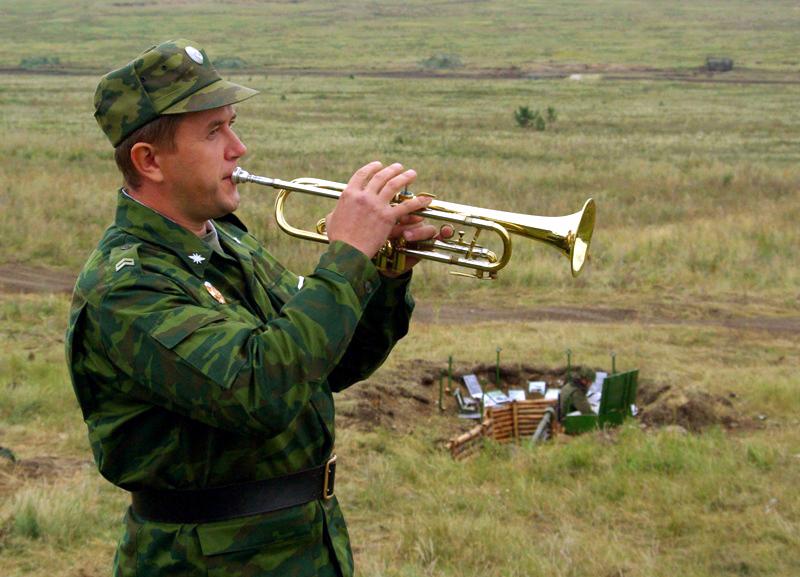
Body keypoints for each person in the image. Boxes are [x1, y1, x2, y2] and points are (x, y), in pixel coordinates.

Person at [66, 39, 446, 577]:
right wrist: (345, 259)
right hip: (205, 562)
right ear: (149, 161)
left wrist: (383, 274)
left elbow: (325, 366)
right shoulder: (126, 286)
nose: (239, 148)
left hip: (306, 545)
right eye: (214, 132)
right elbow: (259, 391)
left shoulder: (229, 243)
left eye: (232, 124)